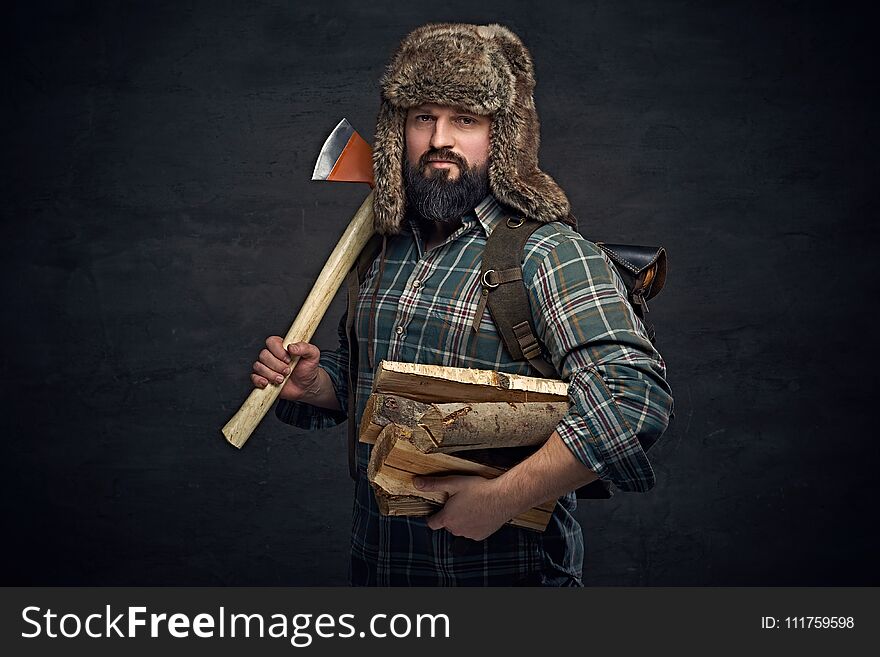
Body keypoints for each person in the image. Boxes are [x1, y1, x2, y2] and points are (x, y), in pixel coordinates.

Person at [250, 23, 674, 585]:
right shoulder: (383, 247)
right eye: (423, 117)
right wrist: (317, 385)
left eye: (465, 120)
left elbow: (632, 399)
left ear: (501, 137)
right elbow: (376, 381)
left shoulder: (548, 254)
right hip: (380, 569)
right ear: (398, 129)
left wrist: (500, 498)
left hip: (508, 583)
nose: (438, 139)